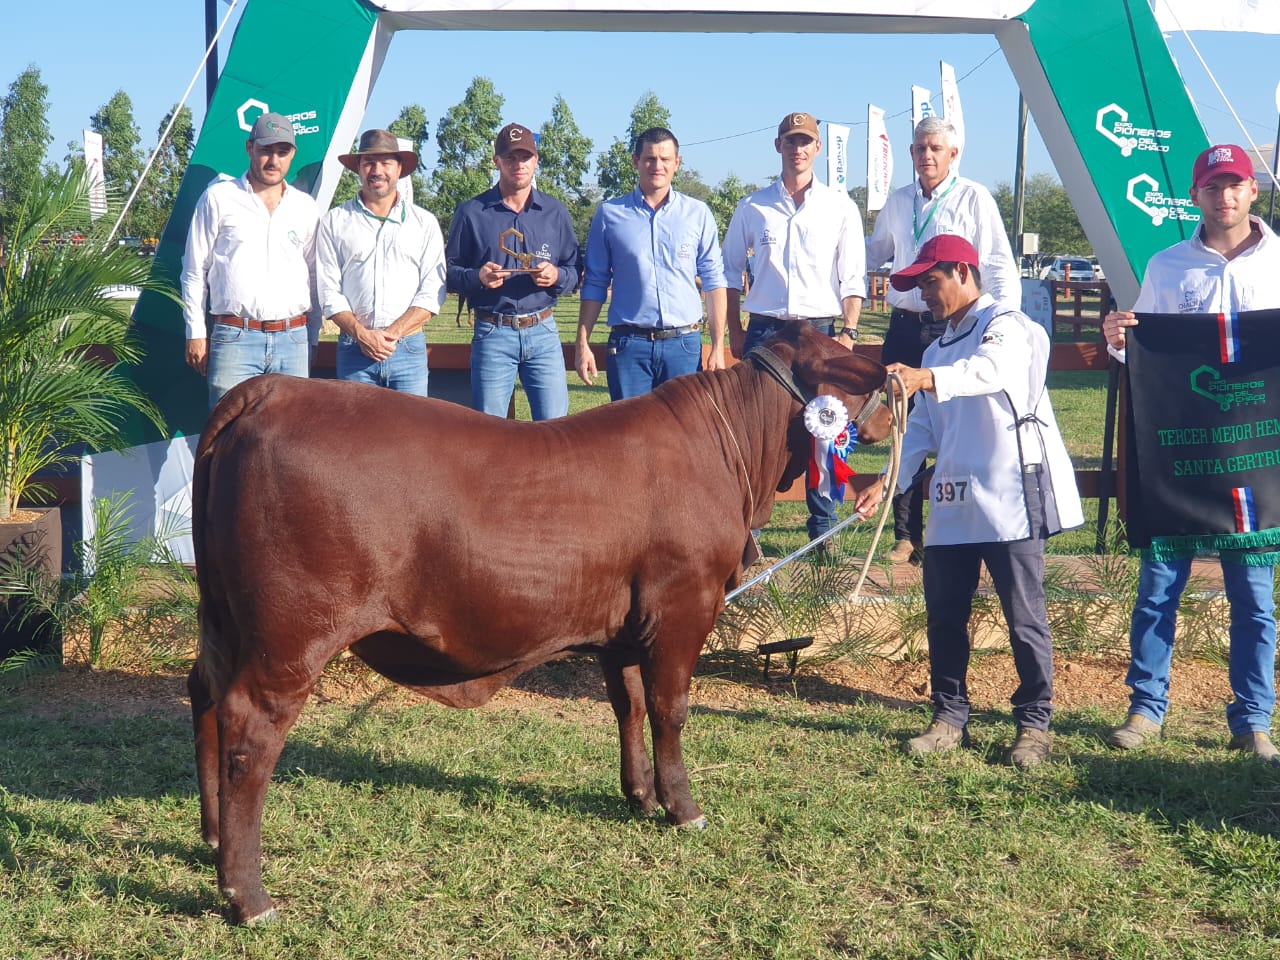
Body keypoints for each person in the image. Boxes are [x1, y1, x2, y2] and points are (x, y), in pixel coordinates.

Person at [855, 234, 1083, 768]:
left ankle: (1033, 725)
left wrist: (927, 378)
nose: (924, 296)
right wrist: (888, 480)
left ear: (963, 271)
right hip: (955, 498)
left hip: (1012, 493)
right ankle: (948, 715)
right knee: (944, 615)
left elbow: (993, 371)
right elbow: (921, 432)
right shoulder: (935, 349)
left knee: (1023, 616)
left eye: (930, 283)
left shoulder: (1008, 324)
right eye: (917, 287)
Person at [1102, 143, 1280, 764]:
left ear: (1252, 190)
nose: (1223, 196)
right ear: (1196, 195)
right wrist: (1119, 340)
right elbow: (1146, 362)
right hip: (1184, 457)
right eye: (1212, 186)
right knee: (1158, 587)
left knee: (1255, 597)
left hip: (1256, 462)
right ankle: (1146, 707)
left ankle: (1253, 718)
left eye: (1234, 185)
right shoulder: (1168, 266)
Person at [866, 115, 1021, 565]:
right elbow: (874, 254)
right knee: (903, 426)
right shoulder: (897, 202)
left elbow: (997, 265)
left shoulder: (974, 198)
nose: (927, 156)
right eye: (919, 148)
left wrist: (1002, 321)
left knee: (959, 423)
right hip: (905, 325)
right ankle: (904, 535)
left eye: (935, 148)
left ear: (954, 154)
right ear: (910, 154)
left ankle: (960, 525)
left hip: (957, 327)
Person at [722, 111, 866, 549]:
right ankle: (751, 533)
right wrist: (734, 330)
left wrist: (849, 333)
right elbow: (729, 273)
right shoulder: (752, 207)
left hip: (820, 332)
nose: (797, 149)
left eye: (805, 141)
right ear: (777, 146)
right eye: (790, 140)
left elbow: (853, 276)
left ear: (817, 148)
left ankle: (823, 534)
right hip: (765, 333)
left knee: (825, 431)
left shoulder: (840, 206)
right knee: (757, 435)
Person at [181, 112, 319, 411]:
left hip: (292, 339)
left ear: (292, 154)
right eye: (265, 150)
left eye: (282, 152)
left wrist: (313, 336)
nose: (273, 160)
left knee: (290, 440)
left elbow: (313, 274)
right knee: (226, 438)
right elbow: (194, 270)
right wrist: (196, 332)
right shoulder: (218, 198)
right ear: (249, 149)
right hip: (234, 338)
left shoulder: (305, 207)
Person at [575, 127, 727, 398]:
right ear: (636, 161)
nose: (658, 166)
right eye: (650, 159)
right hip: (629, 347)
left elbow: (714, 281)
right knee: (627, 437)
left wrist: (717, 346)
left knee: (686, 438)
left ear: (677, 163)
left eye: (665, 159)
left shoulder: (698, 214)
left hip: (683, 346)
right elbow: (595, 281)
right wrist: (582, 342)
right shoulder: (610, 215)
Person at [446, 122, 580, 420]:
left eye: (525, 157)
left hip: (543, 330)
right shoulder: (471, 212)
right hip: (493, 330)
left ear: (536, 160)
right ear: (497, 161)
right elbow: (448, 272)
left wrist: (557, 276)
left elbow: (575, 270)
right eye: (510, 158)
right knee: (489, 433)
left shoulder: (555, 212)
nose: (518, 164)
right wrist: (477, 278)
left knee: (555, 429)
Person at [316, 128, 446, 396]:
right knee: (356, 436)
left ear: (399, 169)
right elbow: (328, 291)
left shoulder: (424, 223)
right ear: (359, 169)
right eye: (369, 163)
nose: (377, 170)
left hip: (407, 348)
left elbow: (433, 290)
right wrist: (363, 335)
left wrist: (392, 334)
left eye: (386, 163)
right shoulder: (335, 221)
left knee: (412, 436)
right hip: (355, 350)